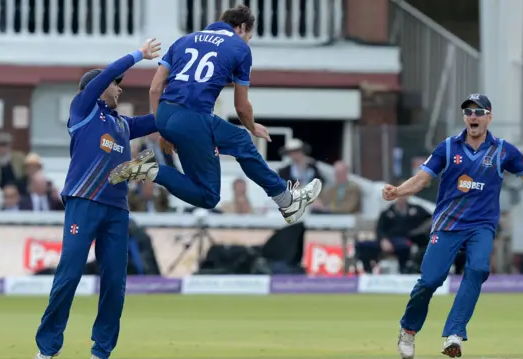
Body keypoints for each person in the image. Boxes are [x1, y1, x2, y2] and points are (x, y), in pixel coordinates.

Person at [385, 94, 523, 359]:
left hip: (481, 225)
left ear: (489, 117)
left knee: (479, 268)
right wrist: (398, 191)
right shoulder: (448, 147)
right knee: (430, 280)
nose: (473, 116)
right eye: (468, 112)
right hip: (448, 224)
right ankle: (408, 330)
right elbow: (423, 179)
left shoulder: (503, 150)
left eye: (479, 112)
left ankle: (454, 334)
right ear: (464, 118)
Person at [108, 4, 322, 224]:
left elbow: (155, 88)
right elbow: (241, 106)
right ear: (240, 28)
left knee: (206, 190)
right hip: (194, 117)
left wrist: (162, 127)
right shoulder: (240, 48)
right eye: (249, 35)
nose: (248, 41)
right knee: (236, 146)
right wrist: (251, 125)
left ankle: (150, 170)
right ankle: (286, 201)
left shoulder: (183, 40)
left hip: (167, 114)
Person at [33, 38, 162, 359]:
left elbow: (161, 120)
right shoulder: (83, 110)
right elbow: (106, 76)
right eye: (114, 85)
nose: (119, 89)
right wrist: (138, 56)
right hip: (84, 201)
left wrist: (189, 99)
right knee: (70, 274)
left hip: (117, 210)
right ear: (95, 88)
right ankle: (47, 349)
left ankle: (101, 351)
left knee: (115, 282)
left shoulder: (121, 124)